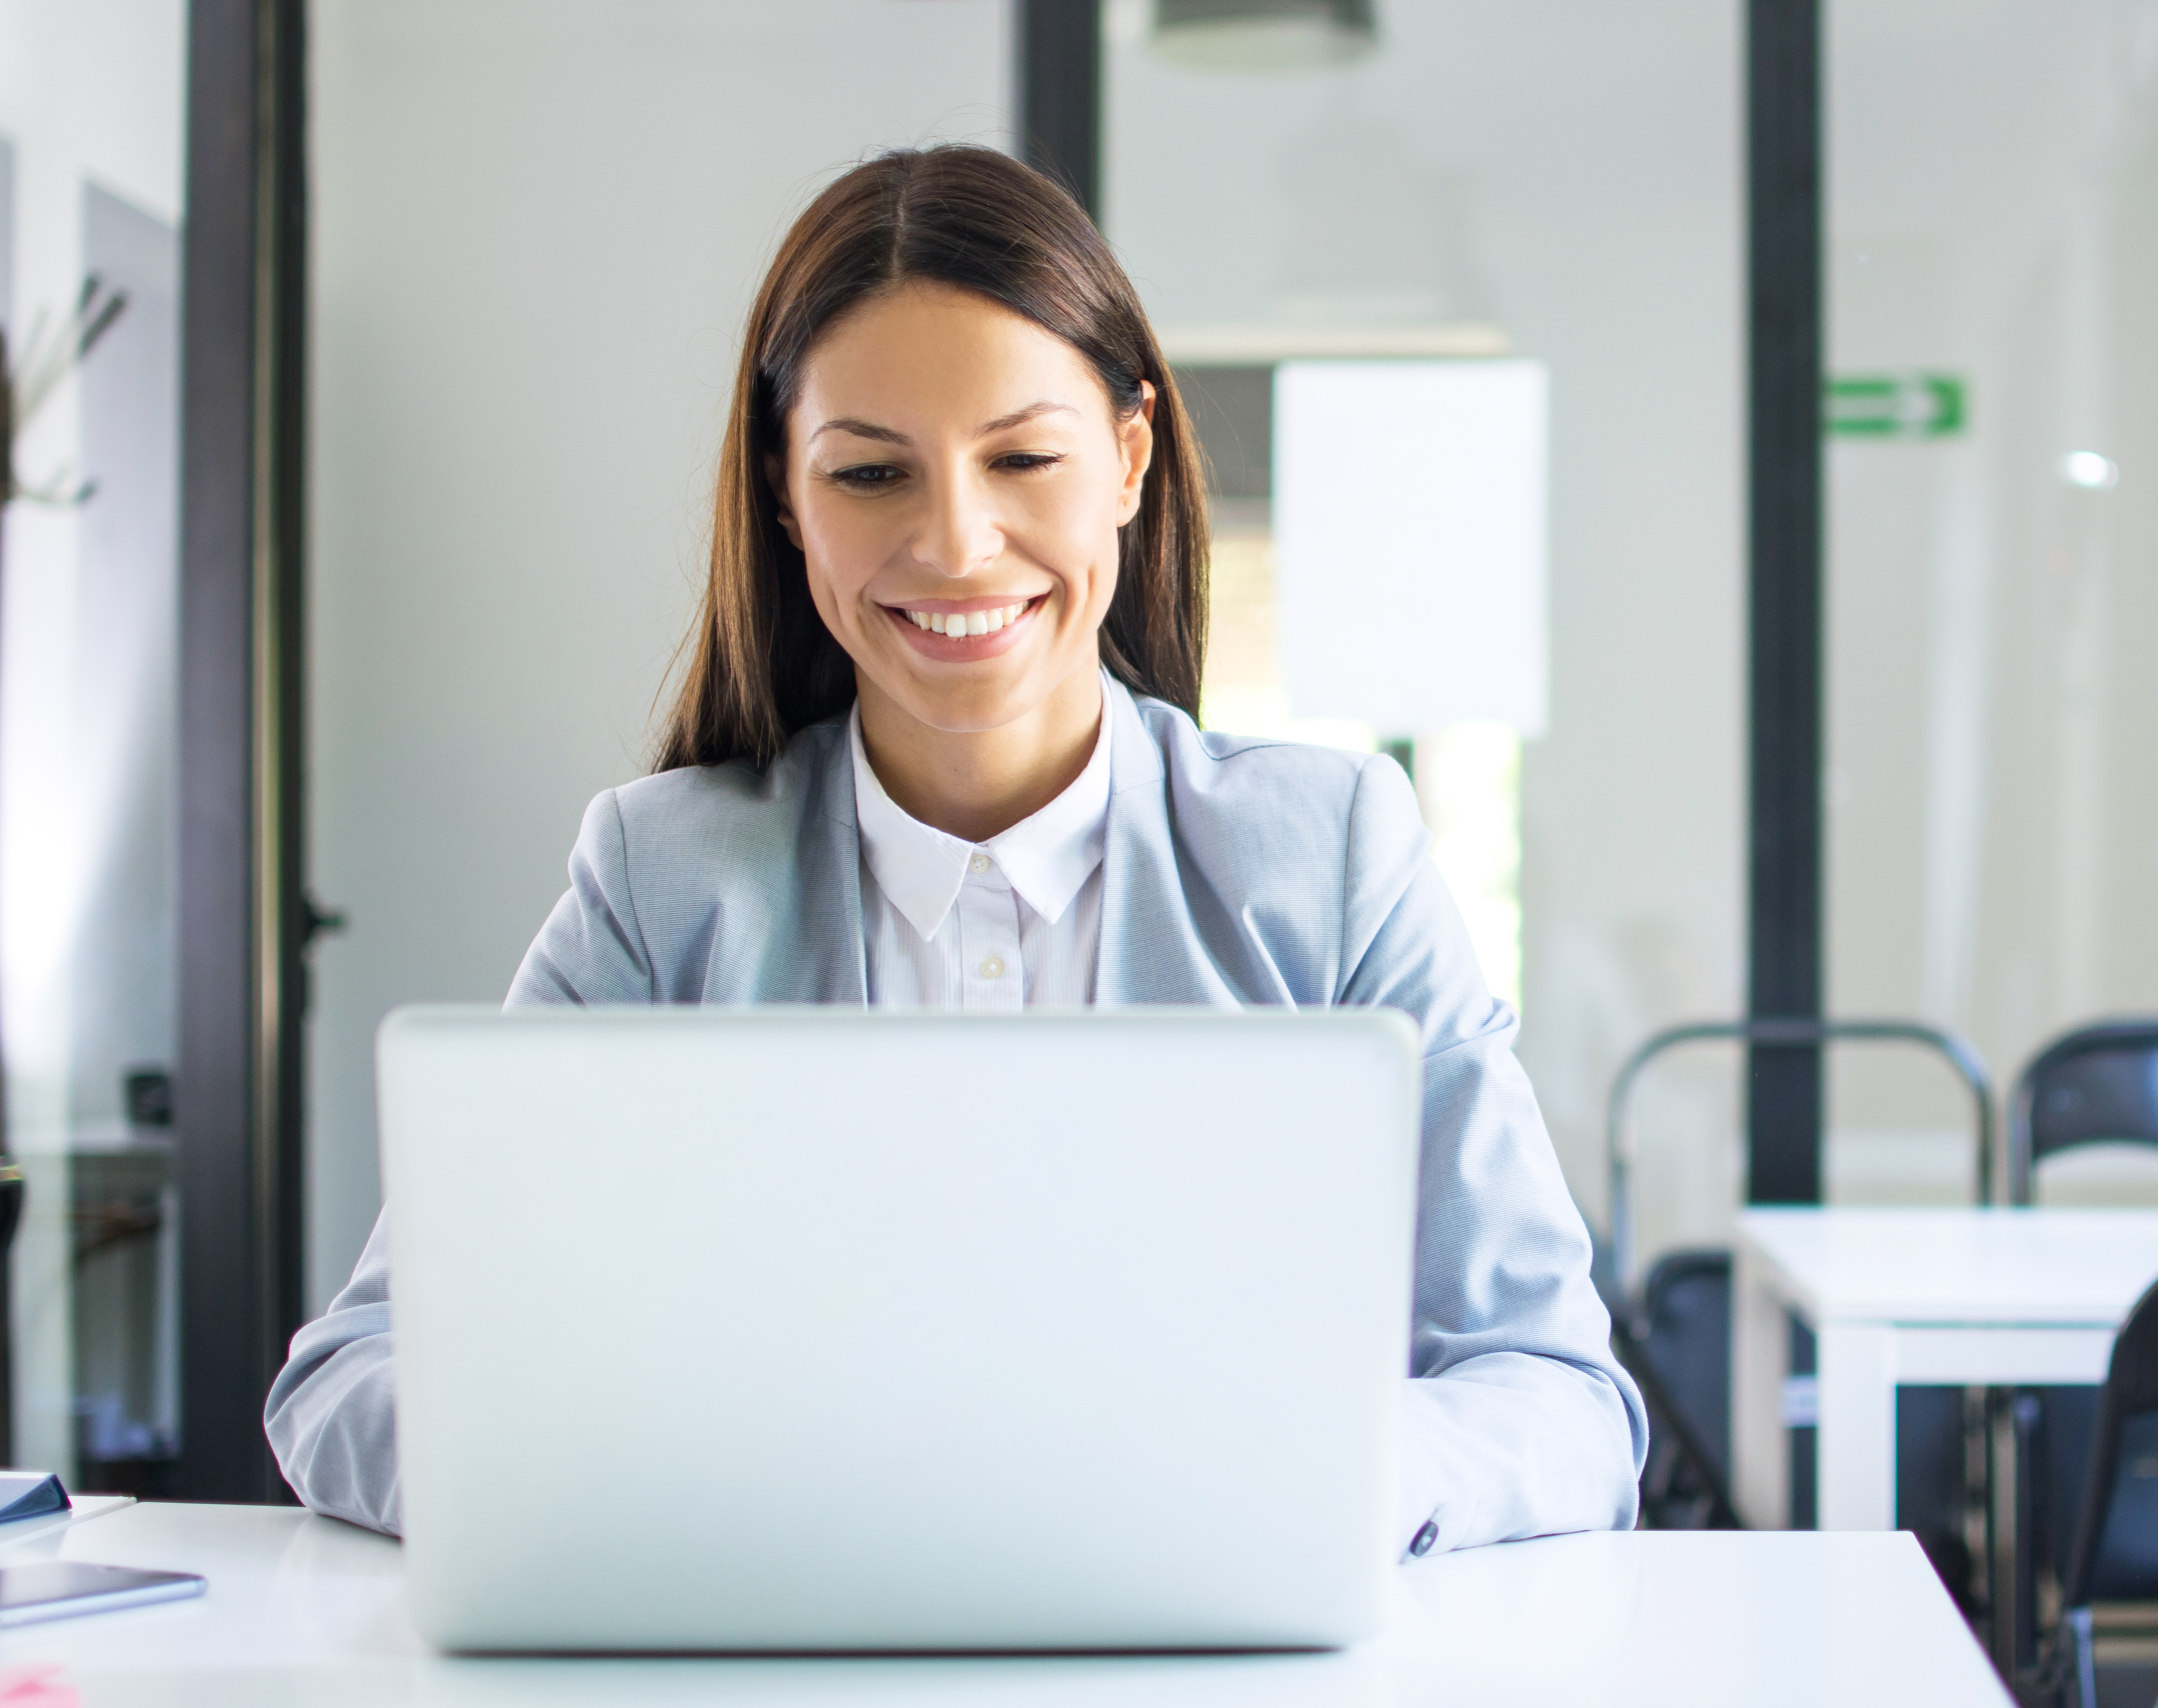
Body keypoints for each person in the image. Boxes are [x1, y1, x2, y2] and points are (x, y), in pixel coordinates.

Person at [265, 144, 1645, 1555]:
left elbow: (1555, 1392)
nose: (957, 542)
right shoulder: (659, 883)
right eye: (869, 473)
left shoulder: (1328, 860)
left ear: (1126, 459)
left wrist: (1327, 1476)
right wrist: (649, 1480)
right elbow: (350, 1380)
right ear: (788, 501)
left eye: (1023, 458)